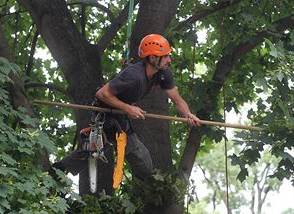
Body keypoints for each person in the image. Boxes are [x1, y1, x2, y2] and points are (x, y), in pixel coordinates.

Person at [49, 34, 201, 192]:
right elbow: (102, 94)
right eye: (165, 56)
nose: (169, 59)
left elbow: (177, 99)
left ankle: (151, 188)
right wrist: (128, 108)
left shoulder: (163, 74)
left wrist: (188, 114)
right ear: (153, 58)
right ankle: (54, 174)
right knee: (92, 150)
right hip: (106, 113)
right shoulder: (133, 75)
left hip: (119, 115)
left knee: (140, 157)